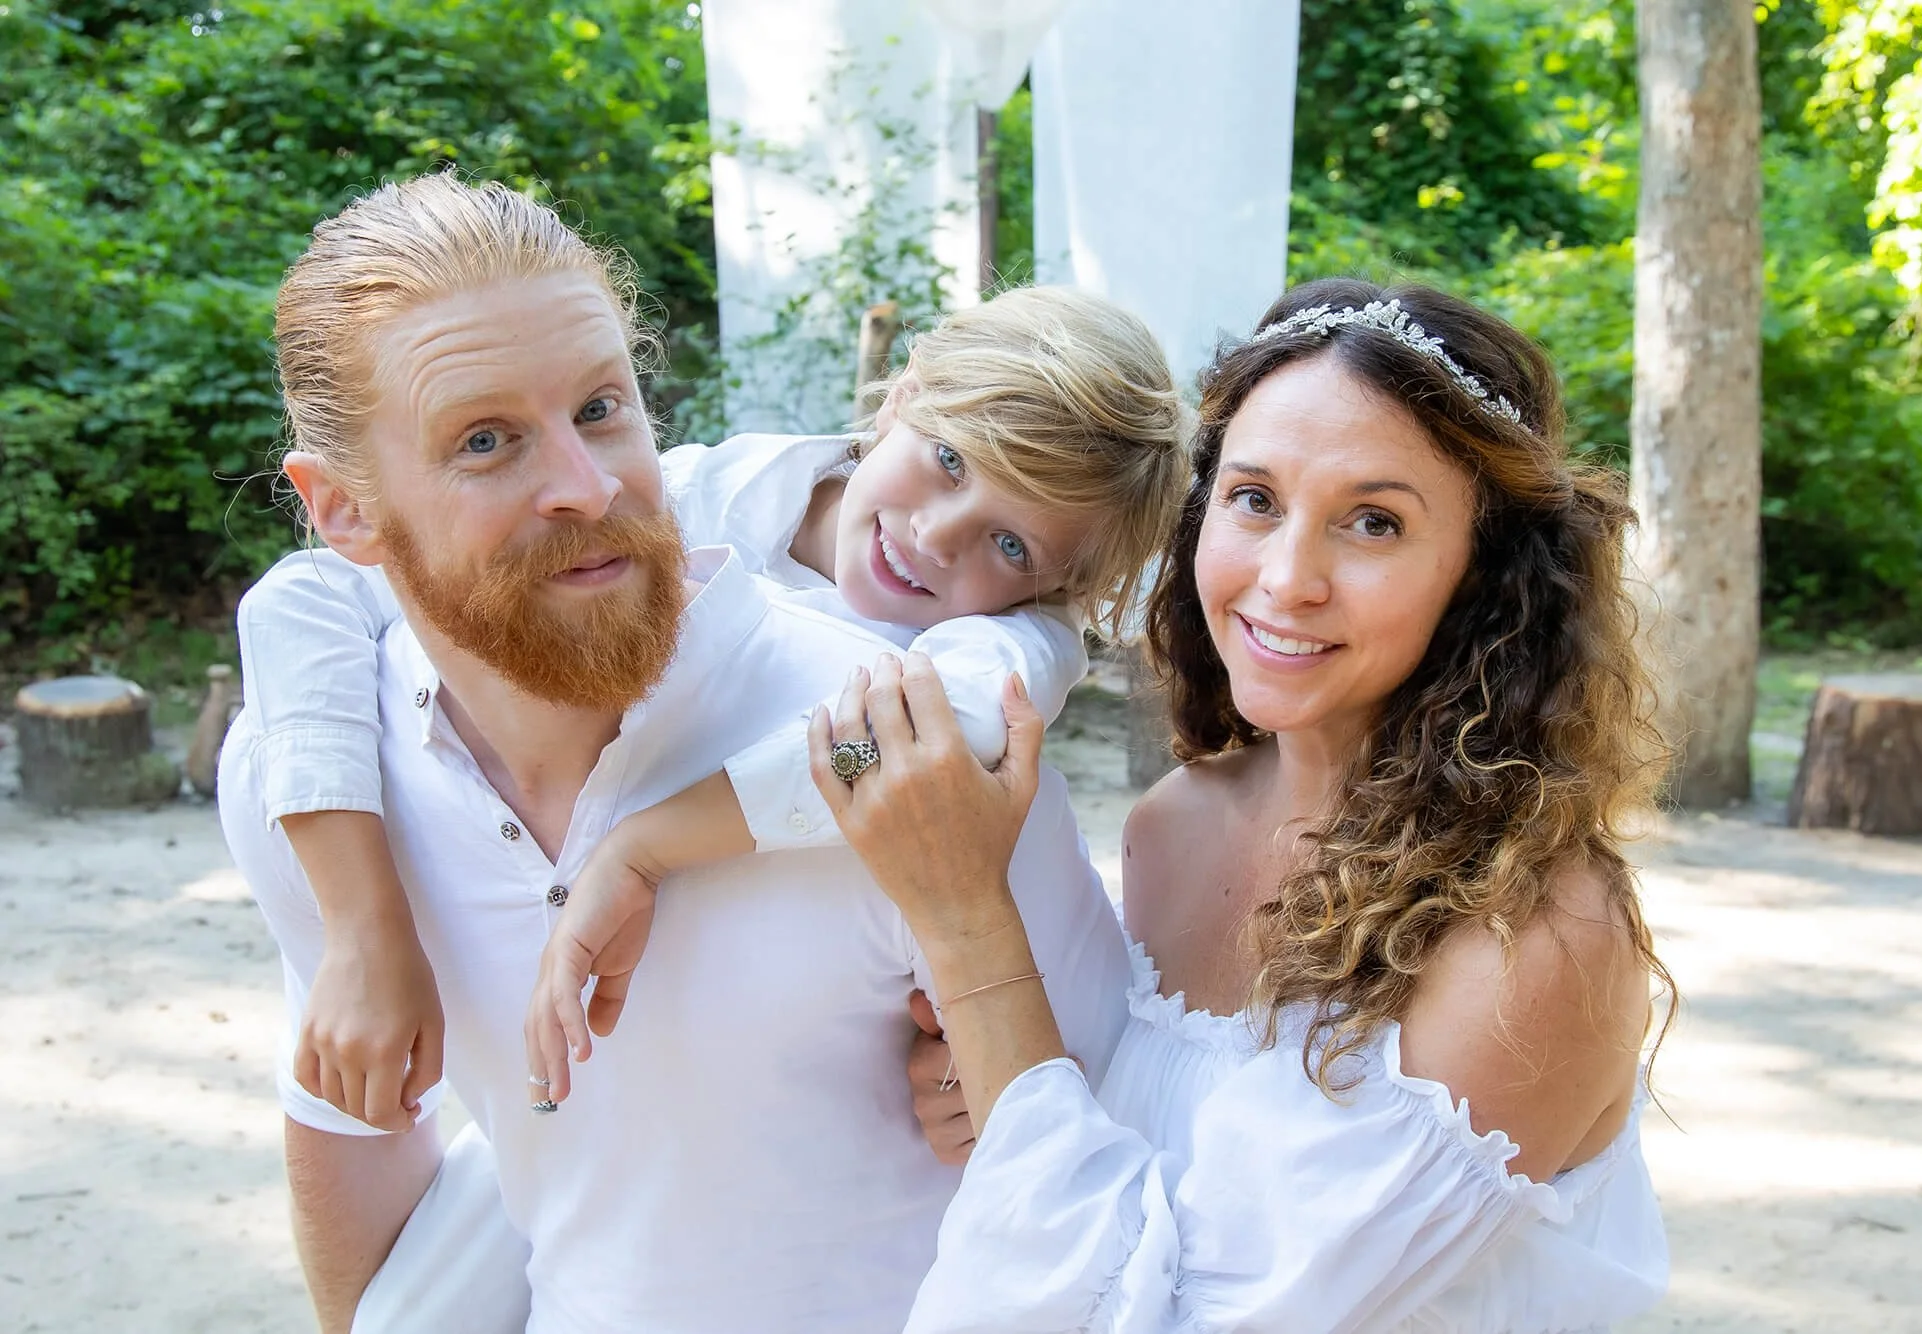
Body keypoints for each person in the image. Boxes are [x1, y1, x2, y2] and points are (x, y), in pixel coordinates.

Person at [217, 172, 1134, 1334]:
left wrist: (1019, 1075)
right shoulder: (312, 779)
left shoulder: (919, 768)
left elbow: (1110, 1149)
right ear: (344, 510)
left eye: (602, 408)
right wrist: (362, 923)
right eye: (487, 440)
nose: (588, 487)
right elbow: (356, 1112)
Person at [812, 279, 1675, 1331]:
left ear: (1482, 576)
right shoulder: (1172, 825)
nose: (1286, 576)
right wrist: (1000, 1096)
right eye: (1254, 499)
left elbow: (1177, 1315)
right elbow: (1126, 1190)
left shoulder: (1531, 934)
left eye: (1371, 521)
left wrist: (962, 917)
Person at [236, 283, 1186, 1125]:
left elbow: (899, 738)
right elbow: (304, 595)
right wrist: (363, 930)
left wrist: (650, 845)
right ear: (905, 395)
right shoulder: (699, 493)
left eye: (1012, 547)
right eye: (947, 462)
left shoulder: (1009, 647)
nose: (939, 538)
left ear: (1062, 589)